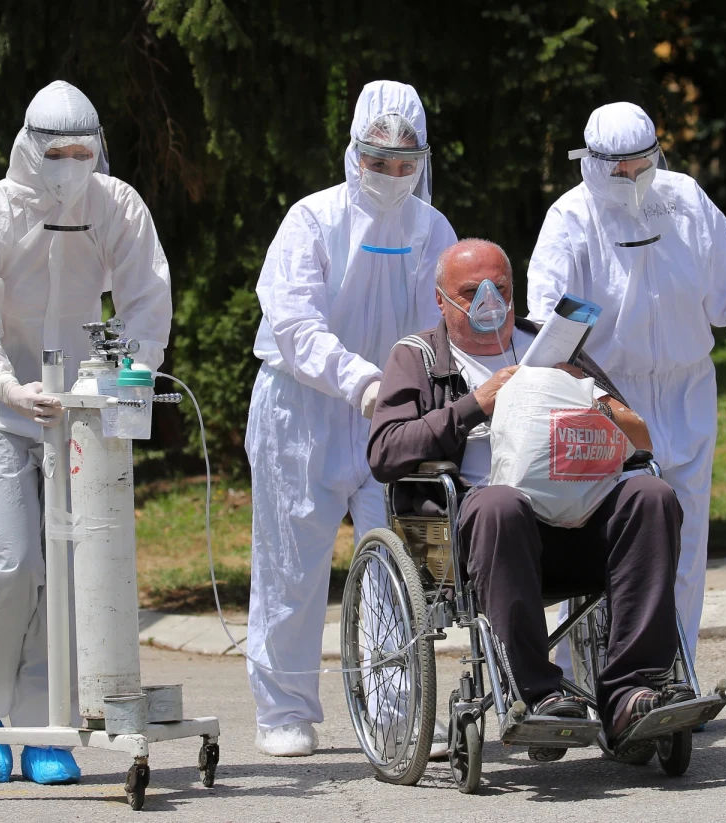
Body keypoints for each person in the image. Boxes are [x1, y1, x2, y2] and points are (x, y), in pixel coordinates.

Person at [368, 238, 687, 764]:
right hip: (491, 537)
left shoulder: (553, 346)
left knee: (651, 494)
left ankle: (631, 691)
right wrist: (475, 404)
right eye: (471, 291)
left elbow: (634, 433)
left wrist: (585, 395)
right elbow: (385, 451)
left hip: (580, 523)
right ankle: (540, 694)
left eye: (501, 288)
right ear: (441, 301)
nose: (488, 301)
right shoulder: (419, 357)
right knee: (500, 503)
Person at [0, 80, 172, 784]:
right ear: (28, 148)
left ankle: (46, 722)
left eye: (83, 149)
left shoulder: (117, 205)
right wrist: (3, 382)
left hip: (81, 405)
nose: (71, 162)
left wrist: (126, 386)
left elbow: (145, 299)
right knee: (13, 561)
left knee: (71, 566)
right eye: (57, 151)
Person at [526, 102, 726, 664]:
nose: (632, 179)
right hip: (605, 396)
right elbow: (546, 317)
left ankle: (674, 670)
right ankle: (580, 672)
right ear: (591, 163)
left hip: (686, 391)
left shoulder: (684, 201)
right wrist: (569, 387)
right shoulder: (570, 219)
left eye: (642, 164)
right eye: (619, 169)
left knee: (683, 538)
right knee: (598, 534)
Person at [245, 80, 458, 757]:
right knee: (291, 561)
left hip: (389, 416)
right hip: (301, 409)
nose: (392, 177)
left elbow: (447, 322)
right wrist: (360, 377)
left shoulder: (433, 229)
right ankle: (284, 708)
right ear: (352, 154)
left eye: (405, 164)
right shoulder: (312, 220)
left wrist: (419, 394)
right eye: (378, 161)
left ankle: (395, 703)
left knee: (396, 563)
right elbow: (296, 323)